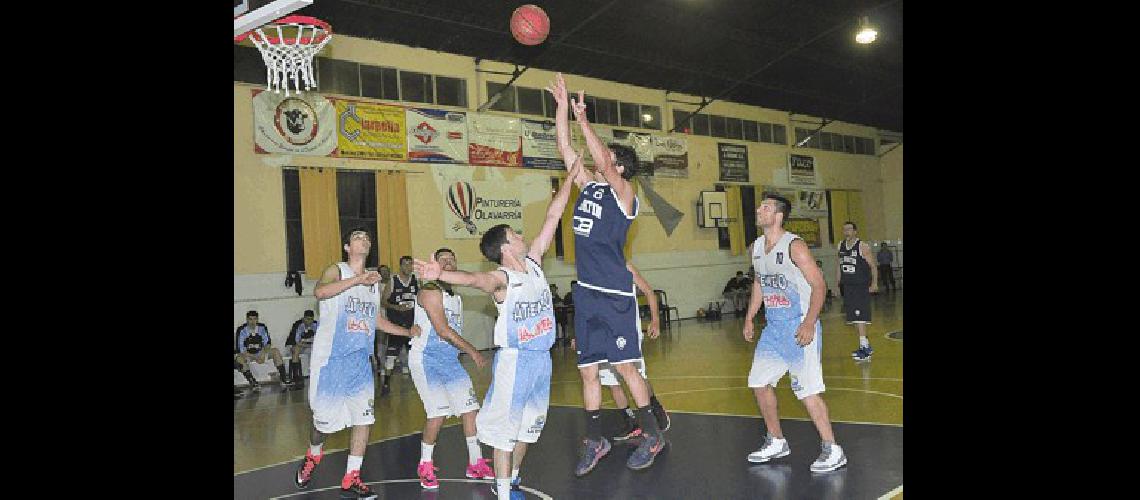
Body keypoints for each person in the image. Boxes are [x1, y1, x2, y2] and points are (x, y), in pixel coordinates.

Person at [414, 156, 580, 500]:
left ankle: (511, 480)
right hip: (515, 362)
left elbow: (553, 216)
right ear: (506, 246)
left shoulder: (533, 263)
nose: (522, 236)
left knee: (527, 432)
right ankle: (503, 494)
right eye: (515, 234)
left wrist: (569, 180)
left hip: (541, 361)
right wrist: (441, 275)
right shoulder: (502, 279)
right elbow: (475, 279)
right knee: (506, 432)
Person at [547, 72, 665, 475]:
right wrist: (563, 109)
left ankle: (651, 432)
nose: (601, 161)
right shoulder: (588, 186)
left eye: (608, 158)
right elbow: (566, 150)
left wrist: (584, 120)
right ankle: (596, 438)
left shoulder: (626, 195)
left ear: (619, 167)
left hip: (615, 293)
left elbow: (599, 160)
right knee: (588, 370)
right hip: (586, 292)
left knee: (627, 367)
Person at [293, 228, 422, 499]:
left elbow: (374, 320)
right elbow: (320, 292)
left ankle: (351, 476)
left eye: (367, 238)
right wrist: (357, 280)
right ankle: (313, 454)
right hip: (331, 361)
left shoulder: (373, 284)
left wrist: (406, 331)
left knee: (364, 418)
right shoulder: (337, 270)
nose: (364, 240)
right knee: (323, 424)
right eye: (357, 237)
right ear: (347, 247)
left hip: (360, 363)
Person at [743, 193, 847, 473]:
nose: (759, 210)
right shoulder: (756, 248)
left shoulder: (795, 247)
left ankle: (832, 448)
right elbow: (759, 284)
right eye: (760, 206)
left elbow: (819, 286)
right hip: (774, 329)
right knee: (759, 383)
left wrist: (809, 322)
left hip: (799, 325)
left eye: (764, 207)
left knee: (807, 392)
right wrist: (750, 317)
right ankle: (776, 440)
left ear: (778, 215)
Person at [409, 247, 495, 490]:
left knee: (470, 410)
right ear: (433, 263)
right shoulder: (429, 291)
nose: (448, 261)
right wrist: (473, 350)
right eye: (442, 259)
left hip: (449, 361)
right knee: (437, 415)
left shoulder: (456, 297)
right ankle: (424, 464)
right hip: (426, 360)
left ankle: (475, 463)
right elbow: (442, 330)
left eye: (452, 258)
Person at [596, 262, 670, 442]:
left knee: (636, 375)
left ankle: (653, 405)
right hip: (605, 332)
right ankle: (629, 421)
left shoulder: (625, 266)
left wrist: (655, 321)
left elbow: (649, 293)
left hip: (627, 332)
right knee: (611, 381)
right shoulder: (595, 270)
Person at [835, 222, 878, 361]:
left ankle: (865, 347)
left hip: (860, 286)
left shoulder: (862, 246)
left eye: (849, 229)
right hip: (848, 287)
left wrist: (874, 283)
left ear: (855, 231)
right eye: (844, 229)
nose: (846, 231)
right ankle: (864, 345)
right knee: (854, 319)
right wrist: (838, 282)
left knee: (860, 317)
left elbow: (873, 266)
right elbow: (839, 265)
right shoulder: (840, 246)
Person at [382, 256, 419, 395]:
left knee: (417, 353)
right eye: (406, 264)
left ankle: (422, 382)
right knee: (391, 355)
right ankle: (386, 383)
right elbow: (383, 302)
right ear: (400, 266)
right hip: (396, 324)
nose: (408, 267)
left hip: (411, 323)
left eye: (411, 264)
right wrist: (397, 308)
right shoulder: (393, 281)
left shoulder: (416, 281)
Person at [235, 310, 292, 388]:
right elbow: (240, 350)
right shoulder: (241, 330)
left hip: (260, 352)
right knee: (239, 359)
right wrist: (254, 357)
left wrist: (263, 353)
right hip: (248, 354)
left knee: (275, 351)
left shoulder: (262, 327)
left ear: (257, 320)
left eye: (254, 319)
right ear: (247, 319)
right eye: (250, 319)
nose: (252, 322)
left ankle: (284, 378)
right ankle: (253, 382)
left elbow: (268, 343)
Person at [284, 310, 318, 389]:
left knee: (316, 350)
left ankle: (314, 373)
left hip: (308, 346)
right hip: (295, 345)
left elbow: (319, 339)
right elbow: (297, 341)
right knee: (296, 349)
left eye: (311, 319)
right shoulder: (298, 325)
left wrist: (310, 345)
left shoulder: (316, 325)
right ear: (303, 318)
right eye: (307, 319)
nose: (309, 321)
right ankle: (296, 376)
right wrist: (307, 344)